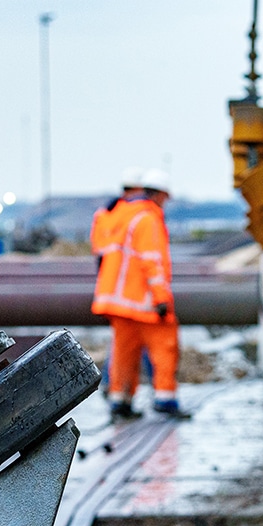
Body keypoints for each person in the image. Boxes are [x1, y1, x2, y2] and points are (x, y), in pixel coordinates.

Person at [91, 168, 189, 420]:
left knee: (124, 353)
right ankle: (165, 399)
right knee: (165, 346)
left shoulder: (122, 215)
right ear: (160, 194)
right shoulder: (148, 219)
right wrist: (161, 298)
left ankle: (120, 401)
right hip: (142, 301)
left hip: (117, 301)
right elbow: (152, 261)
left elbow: (101, 249)